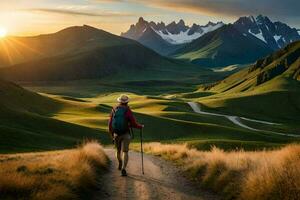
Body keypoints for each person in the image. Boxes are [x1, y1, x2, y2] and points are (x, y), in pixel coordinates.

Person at [108, 94, 144, 176]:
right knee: (125, 152)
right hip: (126, 134)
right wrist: (140, 126)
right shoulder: (127, 110)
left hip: (116, 134)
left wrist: (112, 134)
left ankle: (120, 163)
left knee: (118, 151)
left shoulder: (114, 110)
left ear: (119, 101)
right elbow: (133, 123)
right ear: (127, 102)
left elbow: (110, 124)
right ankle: (124, 168)